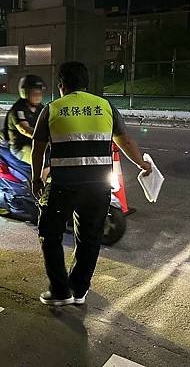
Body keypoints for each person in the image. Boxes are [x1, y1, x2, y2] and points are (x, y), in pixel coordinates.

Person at [31, 61, 152, 306]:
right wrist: (143, 164)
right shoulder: (105, 107)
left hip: (63, 185)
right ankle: (79, 289)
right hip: (98, 188)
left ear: (61, 85)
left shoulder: (52, 109)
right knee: (90, 237)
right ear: (86, 85)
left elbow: (38, 149)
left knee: (50, 235)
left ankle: (60, 291)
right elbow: (125, 142)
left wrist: (35, 178)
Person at [3, 75, 46, 164]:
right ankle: (38, 178)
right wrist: (45, 138)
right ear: (25, 93)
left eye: (40, 94)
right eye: (34, 94)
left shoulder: (41, 108)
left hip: (37, 144)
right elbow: (24, 129)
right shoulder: (18, 109)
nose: (38, 97)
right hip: (21, 146)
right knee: (43, 162)